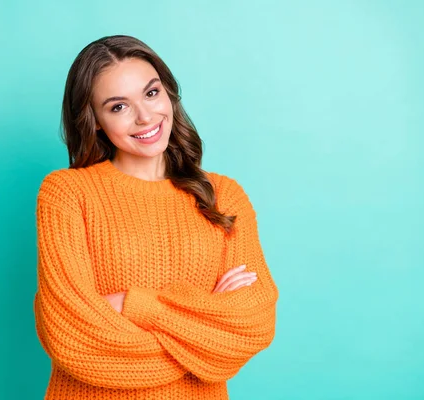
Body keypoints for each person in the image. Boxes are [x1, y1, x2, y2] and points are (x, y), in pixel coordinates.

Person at [33, 34, 279, 400]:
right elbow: (70, 336)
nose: (146, 116)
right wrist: (203, 332)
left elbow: (251, 325)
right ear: (95, 120)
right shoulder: (67, 193)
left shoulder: (222, 196)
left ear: (168, 94)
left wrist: (130, 305)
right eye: (118, 107)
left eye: (151, 93)